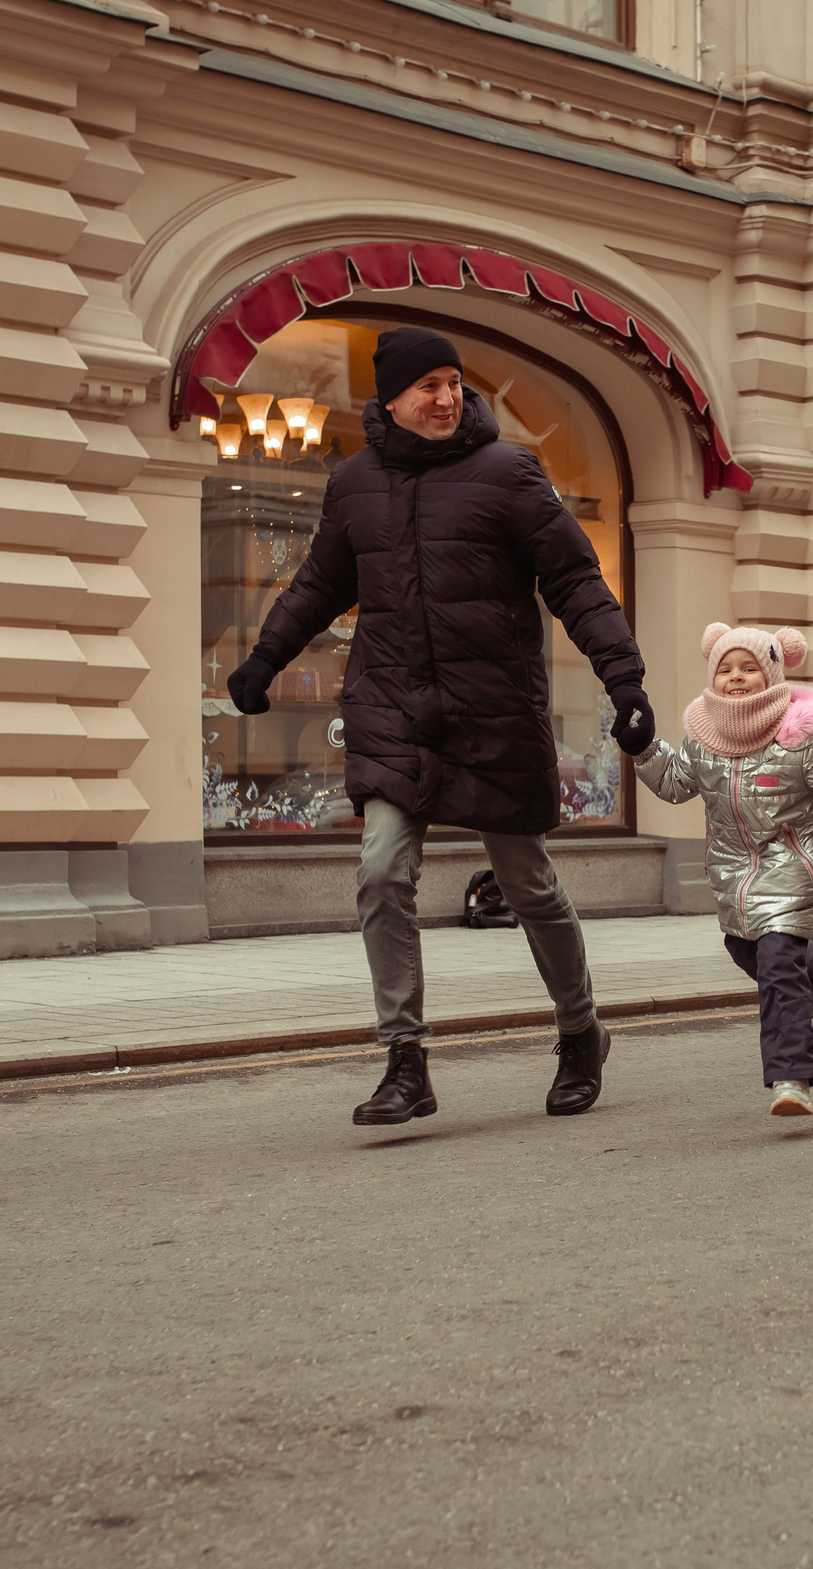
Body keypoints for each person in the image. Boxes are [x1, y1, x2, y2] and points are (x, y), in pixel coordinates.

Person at [227, 326, 655, 1127]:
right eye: (428, 385)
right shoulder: (354, 482)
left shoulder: (508, 471)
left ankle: (579, 1031)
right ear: (390, 397)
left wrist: (622, 677)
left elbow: (574, 578)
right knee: (382, 871)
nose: (446, 397)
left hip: (492, 710)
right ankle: (405, 1061)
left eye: (454, 383)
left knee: (527, 884)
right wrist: (265, 659)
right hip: (393, 708)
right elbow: (321, 582)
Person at [634, 623, 813, 1117]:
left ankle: (792, 1077)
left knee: (778, 968)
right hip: (733, 878)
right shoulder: (704, 741)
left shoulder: (800, 741)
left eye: (749, 669)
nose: (736, 678)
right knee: (749, 953)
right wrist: (644, 747)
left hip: (791, 870)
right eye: (726, 669)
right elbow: (673, 784)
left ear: (772, 674)